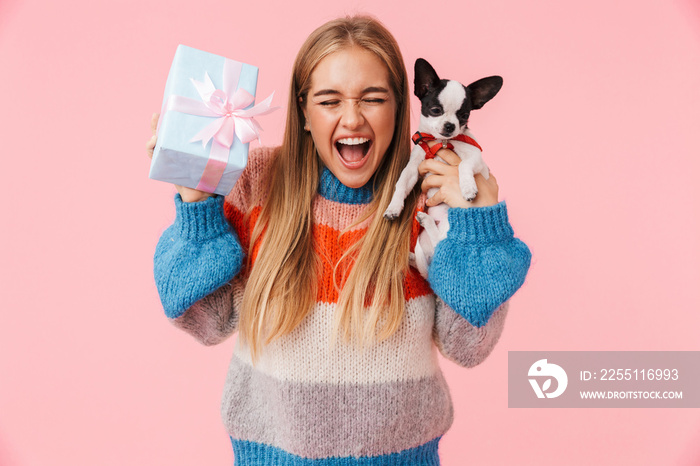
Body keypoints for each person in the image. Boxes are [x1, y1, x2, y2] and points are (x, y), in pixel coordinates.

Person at [147, 15, 531, 465]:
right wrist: (197, 209)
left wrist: (479, 229)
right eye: (329, 100)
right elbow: (206, 323)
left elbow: (468, 348)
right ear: (304, 111)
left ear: (399, 109)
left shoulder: (430, 199)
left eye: (373, 98)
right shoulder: (257, 184)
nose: (352, 118)